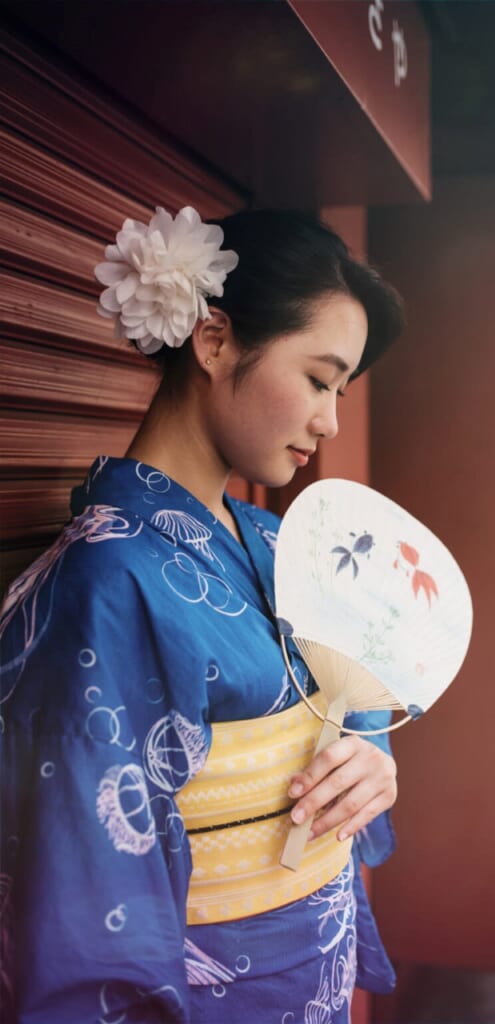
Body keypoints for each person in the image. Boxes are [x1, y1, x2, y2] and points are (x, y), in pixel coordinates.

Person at [0, 207, 405, 1023]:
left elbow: (350, 698)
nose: (328, 419)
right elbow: (88, 894)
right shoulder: (107, 578)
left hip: (308, 977)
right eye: (319, 379)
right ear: (213, 341)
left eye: (340, 390)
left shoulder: (276, 539)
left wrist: (369, 761)